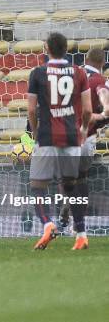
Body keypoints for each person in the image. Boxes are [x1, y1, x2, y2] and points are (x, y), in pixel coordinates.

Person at [27, 32, 92, 250]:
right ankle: (81, 234)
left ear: (47, 48)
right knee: (71, 187)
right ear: (67, 49)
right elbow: (88, 110)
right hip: (72, 137)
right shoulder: (79, 72)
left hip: (46, 136)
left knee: (38, 185)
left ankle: (48, 225)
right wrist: (82, 130)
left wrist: (35, 132)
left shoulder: (37, 73)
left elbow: (30, 110)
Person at [59, 46, 109, 249]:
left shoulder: (72, 74)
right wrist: (104, 114)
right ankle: (78, 224)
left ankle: (68, 205)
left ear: (85, 60)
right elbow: (106, 102)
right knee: (82, 179)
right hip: (87, 139)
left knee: (67, 179)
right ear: (102, 63)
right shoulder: (99, 81)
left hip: (66, 136)